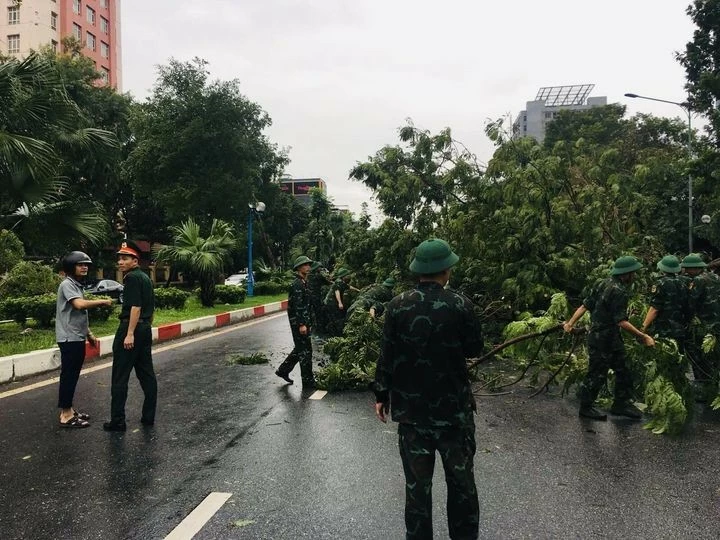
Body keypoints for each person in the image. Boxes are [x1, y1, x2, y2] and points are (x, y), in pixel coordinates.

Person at [374, 238, 483, 540]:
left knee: (417, 490)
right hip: (454, 416)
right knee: (461, 486)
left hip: (412, 417)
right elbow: (474, 348)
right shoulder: (461, 305)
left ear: (419, 271)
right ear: (446, 270)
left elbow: (387, 355)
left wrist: (381, 395)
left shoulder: (396, 306)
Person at [564, 255, 655, 421]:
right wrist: (643, 336)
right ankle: (586, 407)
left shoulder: (601, 282)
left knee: (623, 369)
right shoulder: (619, 291)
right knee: (597, 373)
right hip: (602, 340)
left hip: (611, 339)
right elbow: (621, 321)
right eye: (632, 273)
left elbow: (585, 305)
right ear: (625, 274)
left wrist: (570, 323)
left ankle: (621, 404)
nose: (634, 276)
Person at [103, 240, 157, 432]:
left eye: (125, 258)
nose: (120, 262)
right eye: (119, 258)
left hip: (130, 328)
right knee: (146, 374)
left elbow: (135, 307)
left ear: (135, 261)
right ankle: (148, 416)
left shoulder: (132, 278)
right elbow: (150, 308)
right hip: (145, 329)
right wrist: (144, 328)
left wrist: (130, 334)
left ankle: (118, 420)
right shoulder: (145, 278)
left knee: (120, 376)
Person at [56, 251, 113, 428]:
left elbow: (79, 314)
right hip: (69, 338)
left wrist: (89, 335)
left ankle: (70, 410)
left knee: (72, 375)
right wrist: (102, 301)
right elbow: (79, 305)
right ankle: (66, 415)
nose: (84, 267)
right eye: (80, 264)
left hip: (76, 337)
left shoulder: (76, 285)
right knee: (69, 376)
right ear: (71, 267)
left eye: (86, 264)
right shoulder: (67, 284)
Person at [680, 253, 720, 400]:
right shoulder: (716, 277)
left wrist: (686, 320)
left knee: (698, 355)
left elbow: (691, 303)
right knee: (714, 356)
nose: (685, 271)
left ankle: (703, 388)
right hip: (716, 323)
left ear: (694, 268)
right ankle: (714, 387)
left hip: (703, 325)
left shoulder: (697, 280)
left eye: (687, 269)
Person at [276, 255, 315, 388]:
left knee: (301, 349)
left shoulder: (304, 282)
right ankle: (308, 382)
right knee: (305, 351)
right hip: (299, 323)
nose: (308, 267)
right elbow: (299, 306)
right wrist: (302, 324)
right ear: (299, 268)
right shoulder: (297, 284)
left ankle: (283, 370)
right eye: (305, 265)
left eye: (309, 265)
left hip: (305, 321)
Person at [641, 255, 690, 344]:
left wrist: (643, 327)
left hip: (664, 329)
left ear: (662, 268)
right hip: (680, 328)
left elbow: (654, 309)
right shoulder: (683, 283)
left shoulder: (661, 283)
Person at [323, 267, 359, 336]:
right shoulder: (338, 282)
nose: (349, 277)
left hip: (333, 303)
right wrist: (340, 303)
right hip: (331, 303)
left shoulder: (342, 282)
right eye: (347, 275)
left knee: (338, 317)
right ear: (343, 276)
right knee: (336, 319)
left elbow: (349, 287)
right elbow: (337, 292)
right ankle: (336, 334)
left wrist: (358, 290)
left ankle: (336, 332)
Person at [307, 260, 332, 335]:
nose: (320, 268)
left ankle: (312, 328)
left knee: (311, 313)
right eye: (319, 267)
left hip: (309, 297)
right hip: (316, 297)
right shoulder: (318, 275)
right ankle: (321, 330)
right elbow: (328, 282)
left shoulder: (309, 276)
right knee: (319, 313)